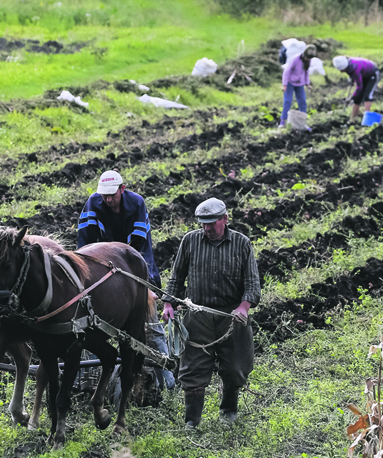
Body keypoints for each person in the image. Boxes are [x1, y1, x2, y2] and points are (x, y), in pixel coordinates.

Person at [161, 198, 261, 429]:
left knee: (235, 368)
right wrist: (168, 304)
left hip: (231, 317)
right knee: (192, 369)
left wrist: (243, 308)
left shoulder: (242, 243)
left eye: (211, 223)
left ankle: (228, 413)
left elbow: (252, 284)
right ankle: (191, 421)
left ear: (225, 219)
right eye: (202, 223)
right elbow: (176, 277)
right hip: (198, 315)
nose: (207, 228)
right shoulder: (190, 241)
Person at [77, 170, 175, 390]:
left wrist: (146, 284)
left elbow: (140, 248)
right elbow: (85, 244)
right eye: (104, 195)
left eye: (112, 195)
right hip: (102, 272)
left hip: (134, 266)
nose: (108, 199)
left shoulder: (136, 204)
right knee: (89, 326)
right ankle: (86, 382)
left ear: (122, 189)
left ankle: (169, 381)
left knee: (150, 325)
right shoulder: (93, 204)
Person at [333, 55, 380, 123]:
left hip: (373, 73)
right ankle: (353, 119)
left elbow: (359, 87)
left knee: (368, 95)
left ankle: (367, 121)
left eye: (341, 70)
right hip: (364, 74)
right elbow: (354, 76)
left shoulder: (355, 69)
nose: (340, 71)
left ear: (345, 67)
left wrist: (352, 97)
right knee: (358, 98)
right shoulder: (348, 64)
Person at [280, 44, 317, 129]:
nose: (308, 59)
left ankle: (302, 123)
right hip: (290, 83)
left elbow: (306, 72)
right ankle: (283, 121)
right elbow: (287, 72)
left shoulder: (308, 60)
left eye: (310, 58)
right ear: (304, 54)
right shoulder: (295, 59)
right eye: (307, 57)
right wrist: (284, 85)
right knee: (287, 101)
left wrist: (307, 83)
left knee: (302, 102)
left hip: (300, 84)